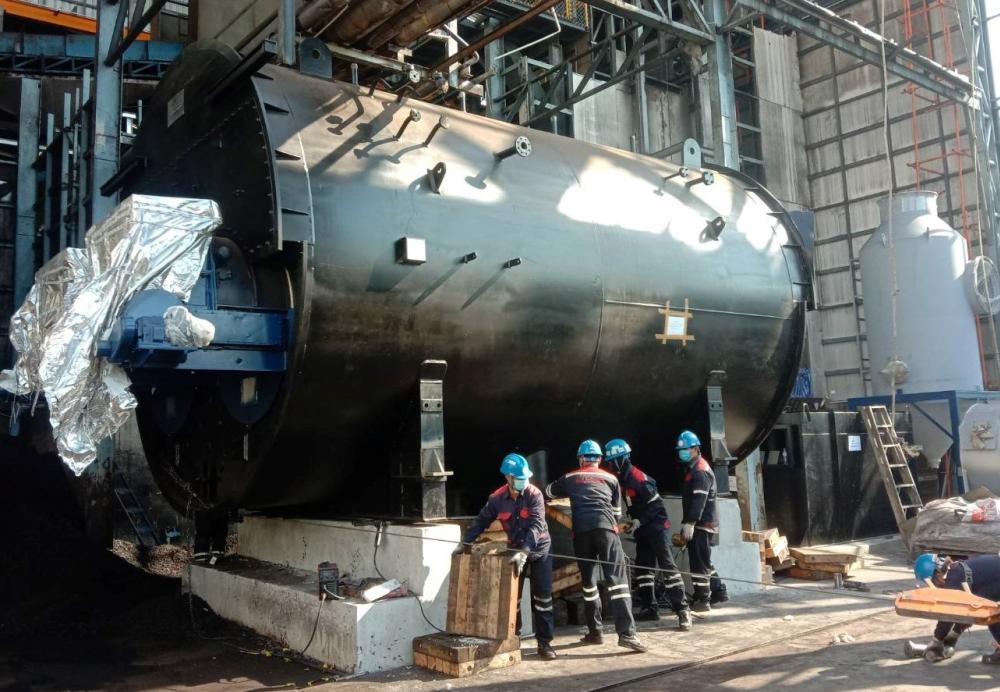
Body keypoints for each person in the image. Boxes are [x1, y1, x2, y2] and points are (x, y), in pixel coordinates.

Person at [545, 439, 647, 653]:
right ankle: (627, 634)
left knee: (589, 584)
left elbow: (549, 492)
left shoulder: (570, 477)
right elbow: (616, 514)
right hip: (607, 532)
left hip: (582, 534)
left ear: (581, 459)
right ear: (599, 459)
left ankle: (595, 632)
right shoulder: (612, 479)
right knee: (618, 583)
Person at [460, 453, 557, 660]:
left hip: (540, 549)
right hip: (514, 549)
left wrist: (525, 551)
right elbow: (481, 521)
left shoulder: (535, 495)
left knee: (543, 597)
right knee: (513, 598)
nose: (524, 481)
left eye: (526, 477)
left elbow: (537, 525)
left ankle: (545, 644)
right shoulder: (496, 499)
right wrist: (465, 542)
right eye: (520, 478)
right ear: (508, 478)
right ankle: (514, 639)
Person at [604, 438, 692, 631]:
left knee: (668, 567)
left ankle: (683, 611)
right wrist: (633, 521)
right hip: (643, 530)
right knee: (644, 570)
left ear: (621, 459)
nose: (610, 465)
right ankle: (649, 608)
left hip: (657, 528)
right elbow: (634, 504)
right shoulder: (623, 479)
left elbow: (656, 505)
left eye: (612, 461)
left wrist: (639, 521)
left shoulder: (638, 478)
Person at [904, 552, 1000, 664]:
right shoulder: (958, 571)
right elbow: (969, 611)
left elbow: (948, 615)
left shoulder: (954, 577)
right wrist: (953, 635)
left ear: (936, 574)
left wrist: (937, 640)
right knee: (992, 612)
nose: (936, 586)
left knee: (992, 615)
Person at [676, 430, 728, 612]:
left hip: (701, 524)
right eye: (680, 450)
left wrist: (691, 522)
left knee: (699, 564)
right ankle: (718, 591)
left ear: (696, 449)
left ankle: (702, 599)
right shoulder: (694, 469)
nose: (683, 453)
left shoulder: (700, 471)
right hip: (702, 523)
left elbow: (699, 500)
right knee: (704, 560)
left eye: (686, 449)